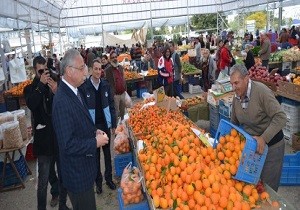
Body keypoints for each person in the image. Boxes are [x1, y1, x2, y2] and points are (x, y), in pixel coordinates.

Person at [52, 49, 109, 210]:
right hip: (77, 174)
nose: (86, 70)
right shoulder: (62, 100)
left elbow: (79, 124)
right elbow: (67, 144)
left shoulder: (75, 90)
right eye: (82, 67)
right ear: (69, 71)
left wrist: (94, 132)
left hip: (84, 171)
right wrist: (94, 142)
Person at [229, 64, 287, 192]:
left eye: (236, 83)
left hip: (272, 146)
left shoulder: (261, 92)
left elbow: (281, 117)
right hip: (253, 148)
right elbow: (234, 123)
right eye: (231, 83)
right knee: (252, 187)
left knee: (267, 189)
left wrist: (264, 138)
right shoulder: (236, 98)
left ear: (246, 78)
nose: (233, 87)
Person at [23, 56, 70, 210]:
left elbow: (65, 101)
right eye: (40, 71)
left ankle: (62, 204)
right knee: (44, 179)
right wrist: (42, 85)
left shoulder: (54, 82)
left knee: (63, 174)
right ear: (35, 71)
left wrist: (56, 90)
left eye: (46, 70)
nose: (44, 73)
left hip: (58, 137)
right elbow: (32, 103)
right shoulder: (30, 89)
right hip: (43, 141)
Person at [79, 59, 117, 195]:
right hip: (93, 127)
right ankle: (98, 182)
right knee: (95, 156)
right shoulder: (84, 88)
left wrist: (113, 124)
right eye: (95, 69)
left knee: (107, 154)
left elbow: (112, 105)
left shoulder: (106, 85)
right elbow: (82, 110)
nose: (98, 71)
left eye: (100, 69)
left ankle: (109, 179)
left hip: (105, 125)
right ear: (90, 70)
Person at [105, 51, 126, 121]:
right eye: (112, 57)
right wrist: (111, 94)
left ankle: (122, 125)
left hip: (123, 93)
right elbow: (106, 83)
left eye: (115, 57)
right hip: (115, 95)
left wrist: (125, 89)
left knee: (123, 112)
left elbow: (123, 78)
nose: (114, 59)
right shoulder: (108, 70)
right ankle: (116, 128)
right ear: (110, 59)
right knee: (116, 113)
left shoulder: (120, 67)